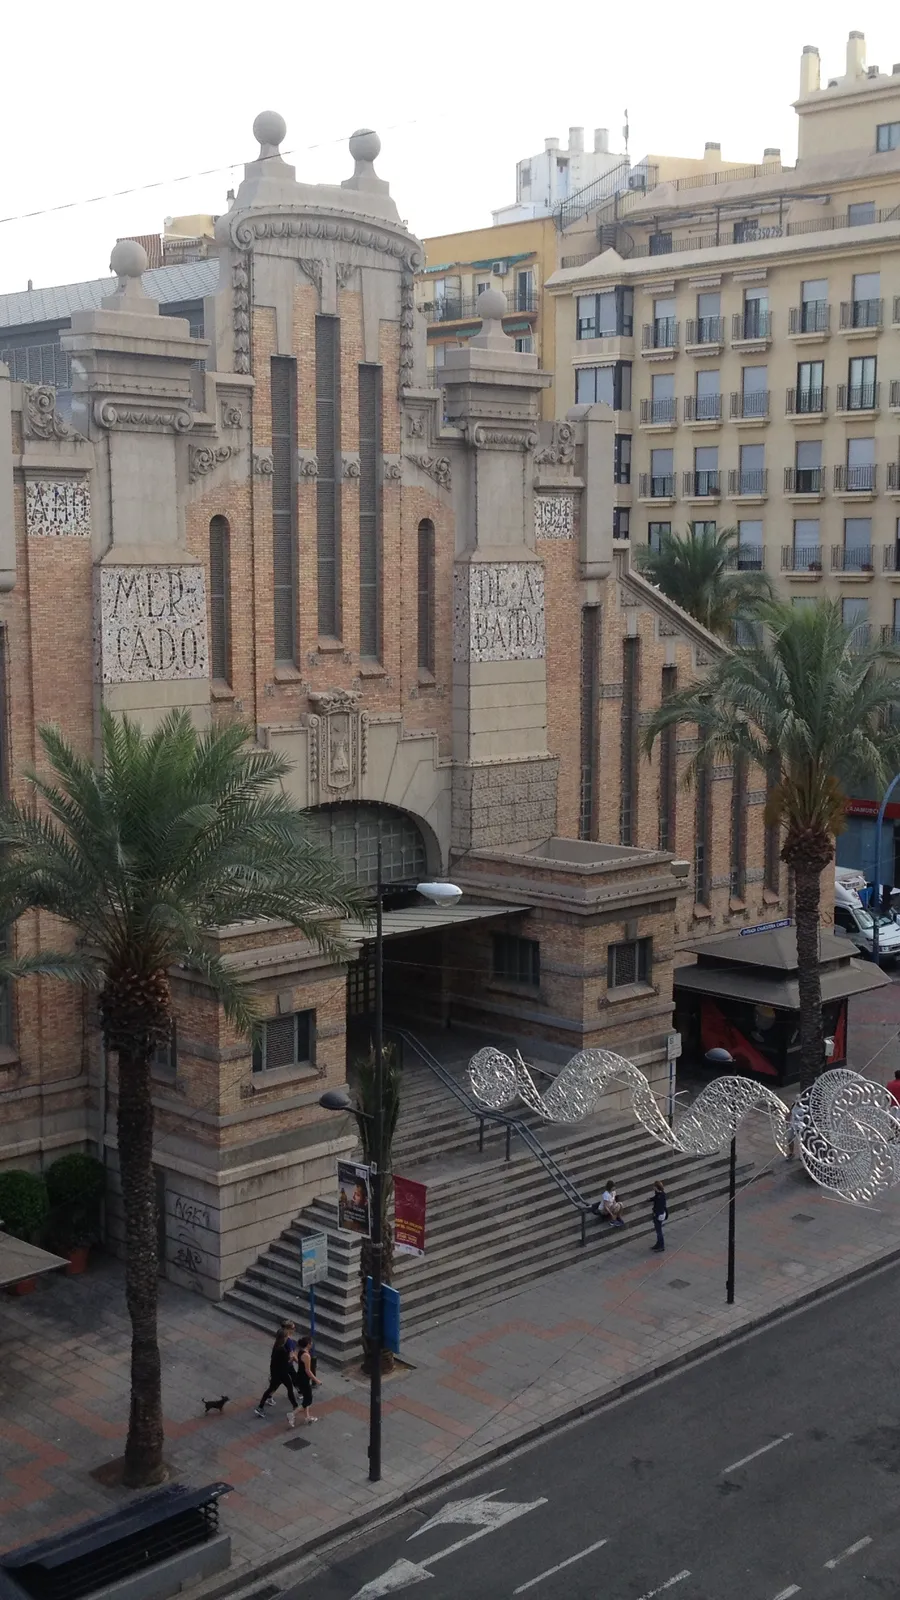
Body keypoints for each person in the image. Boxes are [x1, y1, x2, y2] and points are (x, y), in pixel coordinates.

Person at [254, 1322, 300, 1418]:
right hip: (281, 1372)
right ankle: (295, 1406)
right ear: (284, 1337)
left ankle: (260, 1406)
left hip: (276, 1371)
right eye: (287, 1336)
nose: (288, 1337)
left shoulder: (277, 1347)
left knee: (272, 1388)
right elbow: (288, 1359)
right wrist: (292, 1358)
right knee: (289, 1388)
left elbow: (275, 1360)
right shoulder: (283, 1350)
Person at [288, 1333, 321, 1427]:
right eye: (311, 1343)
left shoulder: (301, 1352)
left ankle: (307, 1417)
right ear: (308, 1344)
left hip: (300, 1378)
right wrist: (316, 1380)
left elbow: (301, 1365)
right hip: (304, 1380)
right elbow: (308, 1371)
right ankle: (292, 1414)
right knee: (308, 1400)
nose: (312, 1344)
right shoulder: (307, 1355)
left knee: (306, 1398)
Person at [650, 1180, 667, 1252]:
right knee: (658, 1230)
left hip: (659, 1215)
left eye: (654, 1186)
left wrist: (655, 1215)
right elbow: (655, 1197)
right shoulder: (659, 1193)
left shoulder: (661, 1196)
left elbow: (659, 1208)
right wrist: (650, 1199)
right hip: (658, 1214)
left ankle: (661, 1246)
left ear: (656, 1187)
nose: (653, 1187)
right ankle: (658, 1244)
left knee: (659, 1231)